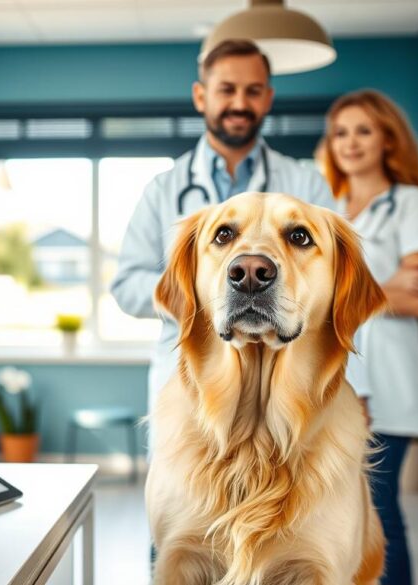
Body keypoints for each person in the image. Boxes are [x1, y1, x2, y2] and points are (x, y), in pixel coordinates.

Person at [110, 39, 333, 421]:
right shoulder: (163, 189)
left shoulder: (306, 185)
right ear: (201, 96)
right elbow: (127, 285)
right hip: (188, 386)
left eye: (253, 91)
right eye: (227, 89)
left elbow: (336, 281)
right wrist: (205, 293)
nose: (240, 103)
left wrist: (355, 387)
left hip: (287, 391)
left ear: (268, 99)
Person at [318, 89, 418, 585]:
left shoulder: (410, 203)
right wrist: (381, 288)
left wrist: (339, 294)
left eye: (363, 131)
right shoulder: (326, 209)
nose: (350, 143)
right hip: (335, 377)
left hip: (391, 379)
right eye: (341, 133)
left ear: (387, 139)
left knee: (379, 506)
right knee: (335, 513)